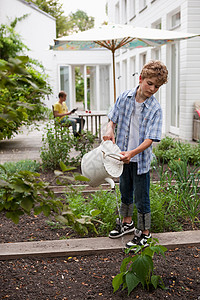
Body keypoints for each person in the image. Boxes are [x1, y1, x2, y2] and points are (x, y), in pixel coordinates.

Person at [103, 60, 168, 248]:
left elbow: (150, 139)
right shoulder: (125, 97)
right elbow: (112, 117)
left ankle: (145, 233)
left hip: (139, 160)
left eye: (157, 86)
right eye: (150, 83)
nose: (153, 89)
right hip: (122, 157)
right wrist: (109, 129)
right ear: (141, 78)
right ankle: (127, 223)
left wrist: (132, 153)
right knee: (125, 191)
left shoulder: (155, 109)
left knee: (142, 197)